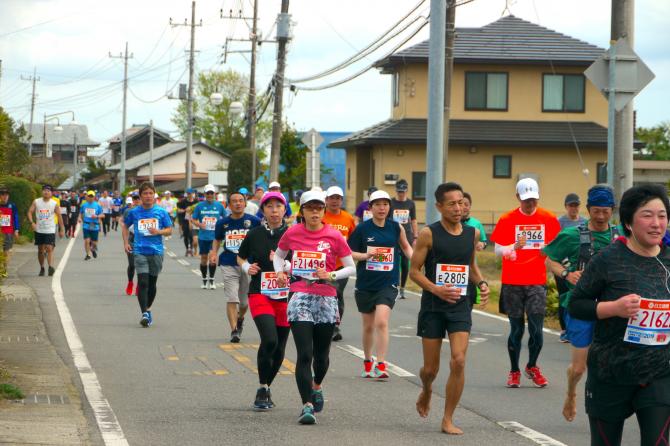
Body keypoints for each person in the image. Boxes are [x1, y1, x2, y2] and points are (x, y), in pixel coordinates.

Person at [569, 184, 670, 446]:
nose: (656, 223)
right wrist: (613, 308)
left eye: (662, 215)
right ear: (627, 221)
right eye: (647, 215)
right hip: (611, 369)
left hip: (659, 370)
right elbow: (576, 304)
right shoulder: (608, 259)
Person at [410, 182, 490, 435]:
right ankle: (426, 389)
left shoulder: (472, 234)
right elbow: (413, 272)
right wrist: (436, 289)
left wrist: (483, 283)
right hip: (433, 306)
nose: (458, 208)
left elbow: (471, 267)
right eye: (452, 204)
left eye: (461, 203)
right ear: (439, 207)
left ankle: (447, 418)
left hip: (460, 305)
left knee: (458, 360)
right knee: (430, 369)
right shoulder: (428, 234)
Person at [273, 190, 356, 425]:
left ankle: (317, 385)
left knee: (321, 356)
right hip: (300, 294)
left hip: (326, 297)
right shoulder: (293, 232)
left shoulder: (333, 236)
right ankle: (306, 404)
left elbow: (351, 268)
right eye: (310, 208)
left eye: (319, 208)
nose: (315, 212)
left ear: (324, 211)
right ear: (302, 211)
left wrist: (331, 274)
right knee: (304, 354)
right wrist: (280, 272)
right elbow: (279, 256)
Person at [543, 185, 619, 423]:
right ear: (588, 210)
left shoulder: (621, 237)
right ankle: (571, 393)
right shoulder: (572, 235)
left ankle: (603, 409)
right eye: (595, 211)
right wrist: (567, 274)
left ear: (612, 211)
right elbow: (549, 260)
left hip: (613, 309)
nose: (600, 216)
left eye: (605, 211)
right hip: (582, 307)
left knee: (610, 366)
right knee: (578, 369)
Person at [490, 178, 560, 388]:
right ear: (518, 197)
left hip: (537, 280)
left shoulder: (548, 218)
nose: (530, 204)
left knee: (537, 330)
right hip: (512, 281)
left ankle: (532, 365)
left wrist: (550, 248)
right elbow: (497, 250)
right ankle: (514, 371)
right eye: (526, 200)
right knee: (517, 329)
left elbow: (558, 245)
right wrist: (513, 246)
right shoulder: (507, 219)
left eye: (533, 200)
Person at [349, 190, 413, 378]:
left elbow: (406, 247)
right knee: (368, 326)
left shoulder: (396, 227)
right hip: (366, 283)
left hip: (388, 282)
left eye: (385, 204)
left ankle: (381, 364)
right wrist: (365, 256)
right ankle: (368, 361)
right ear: (370, 208)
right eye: (377, 204)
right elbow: (348, 252)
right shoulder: (362, 229)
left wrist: (418, 262)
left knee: (382, 322)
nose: (382, 208)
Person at [237, 191, 290, 410]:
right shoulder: (255, 233)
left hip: (287, 295)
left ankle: (266, 387)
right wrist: (246, 267)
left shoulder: (293, 234)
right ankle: (262, 385)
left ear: (285, 210)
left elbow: (303, 264)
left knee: (280, 350)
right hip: (260, 291)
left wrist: (282, 264)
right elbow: (240, 255)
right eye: (270, 206)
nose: (274, 210)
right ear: (263, 210)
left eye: (278, 206)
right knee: (269, 340)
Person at [210, 192, 260, 342]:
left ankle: (240, 318)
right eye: (234, 201)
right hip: (228, 262)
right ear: (229, 205)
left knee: (244, 303)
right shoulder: (222, 223)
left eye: (240, 201)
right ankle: (234, 331)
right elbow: (217, 240)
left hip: (247, 264)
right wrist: (214, 253)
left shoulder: (255, 221)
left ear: (245, 203)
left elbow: (261, 239)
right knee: (232, 297)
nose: (238, 203)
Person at [122, 182, 173, 327]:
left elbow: (169, 229)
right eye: (145, 193)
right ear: (141, 195)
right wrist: (126, 243)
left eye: (151, 193)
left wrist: (159, 232)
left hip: (156, 251)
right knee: (143, 282)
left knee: (152, 283)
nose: (148, 196)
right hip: (139, 250)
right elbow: (125, 226)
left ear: (154, 195)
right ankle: (144, 313)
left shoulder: (161, 212)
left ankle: (148, 309)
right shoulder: (134, 212)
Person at [323, 186, 356, 342]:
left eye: (338, 198)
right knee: (324, 293)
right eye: (332, 198)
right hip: (322, 265)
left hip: (341, 265)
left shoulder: (348, 218)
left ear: (341, 200)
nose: (335, 201)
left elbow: (353, 239)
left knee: (337, 293)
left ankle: (335, 325)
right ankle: (323, 322)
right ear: (327, 200)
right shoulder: (321, 216)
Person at [555, 193, 588, 341]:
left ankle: (577, 328)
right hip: (562, 267)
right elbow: (555, 247)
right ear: (566, 206)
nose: (574, 208)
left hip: (581, 267)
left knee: (578, 297)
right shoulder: (559, 223)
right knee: (564, 297)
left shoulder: (585, 222)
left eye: (576, 205)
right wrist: (566, 266)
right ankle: (564, 330)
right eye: (571, 205)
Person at [192, 184, 227, 289]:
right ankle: (204, 280)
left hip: (215, 237)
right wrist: (199, 224)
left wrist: (221, 226)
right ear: (205, 194)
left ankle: (211, 280)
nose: (210, 195)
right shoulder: (199, 206)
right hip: (203, 236)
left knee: (212, 258)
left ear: (215, 194)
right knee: (203, 258)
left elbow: (226, 218)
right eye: (208, 193)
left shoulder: (219, 206)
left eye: (212, 193)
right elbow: (193, 219)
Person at [27, 185, 65, 276]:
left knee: (49, 247)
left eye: (48, 191)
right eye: (44, 190)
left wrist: (62, 229)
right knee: (40, 250)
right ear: (42, 192)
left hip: (50, 229)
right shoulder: (36, 202)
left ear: (51, 193)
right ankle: (42, 267)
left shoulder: (54, 203)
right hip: (39, 229)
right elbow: (29, 212)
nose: (46, 192)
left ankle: (50, 267)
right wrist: (32, 222)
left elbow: (59, 216)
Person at [390, 179, 418, 299]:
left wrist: (415, 235)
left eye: (403, 191)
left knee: (405, 264)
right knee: (395, 262)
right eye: (399, 191)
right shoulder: (391, 202)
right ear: (396, 190)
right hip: (394, 235)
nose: (401, 194)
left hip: (407, 235)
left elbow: (414, 220)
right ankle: (394, 286)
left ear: (406, 191)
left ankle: (402, 288)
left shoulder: (411, 204)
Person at [122, 194, 141, 295]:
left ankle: (139, 285)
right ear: (133, 201)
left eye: (138, 199)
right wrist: (125, 243)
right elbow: (124, 226)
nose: (137, 200)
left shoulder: (146, 211)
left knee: (141, 264)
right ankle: (130, 282)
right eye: (135, 199)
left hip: (142, 240)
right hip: (132, 238)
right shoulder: (129, 212)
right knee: (132, 264)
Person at [78, 190, 104, 260]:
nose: (90, 197)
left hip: (94, 225)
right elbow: (80, 213)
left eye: (92, 196)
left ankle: (93, 249)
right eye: (89, 196)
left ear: (94, 197)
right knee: (87, 241)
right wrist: (80, 218)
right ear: (87, 197)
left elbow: (102, 215)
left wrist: (97, 216)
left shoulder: (98, 205)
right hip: (86, 225)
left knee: (94, 243)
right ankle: (88, 254)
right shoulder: (84, 205)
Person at [0, 185, 20, 262]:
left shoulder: (12, 205)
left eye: (7, 194)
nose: (5, 196)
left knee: (6, 251)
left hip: (8, 232)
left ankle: (4, 269)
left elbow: (16, 217)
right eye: (2, 194)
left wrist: (16, 229)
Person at [177, 189, 198, 256]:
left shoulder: (196, 202)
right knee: (186, 235)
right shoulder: (183, 202)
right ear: (187, 194)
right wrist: (184, 210)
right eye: (188, 193)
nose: (190, 195)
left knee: (191, 235)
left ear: (193, 194)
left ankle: (191, 249)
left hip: (194, 220)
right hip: (185, 220)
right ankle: (187, 249)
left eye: (191, 193)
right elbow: (178, 210)